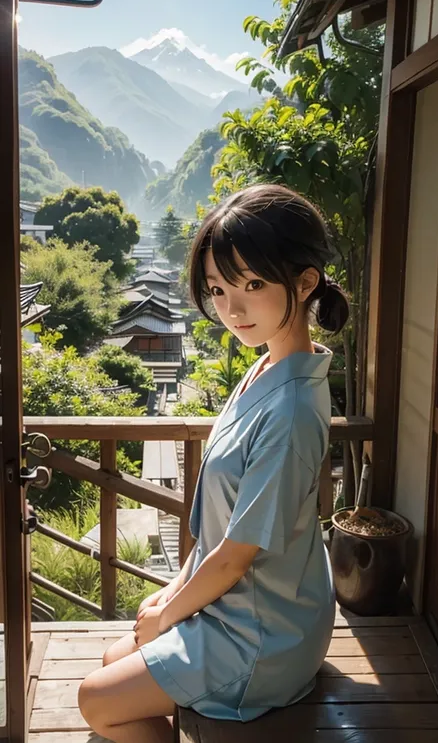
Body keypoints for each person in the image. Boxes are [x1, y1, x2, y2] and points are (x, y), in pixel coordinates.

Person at [78, 183, 349, 742]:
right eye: (218, 289)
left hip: (260, 636)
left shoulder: (293, 407)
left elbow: (234, 554)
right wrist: (172, 592)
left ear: (304, 282)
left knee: (95, 702)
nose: (232, 309)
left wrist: (169, 612)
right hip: (250, 604)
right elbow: (221, 536)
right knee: (112, 659)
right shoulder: (272, 367)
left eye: (253, 284)